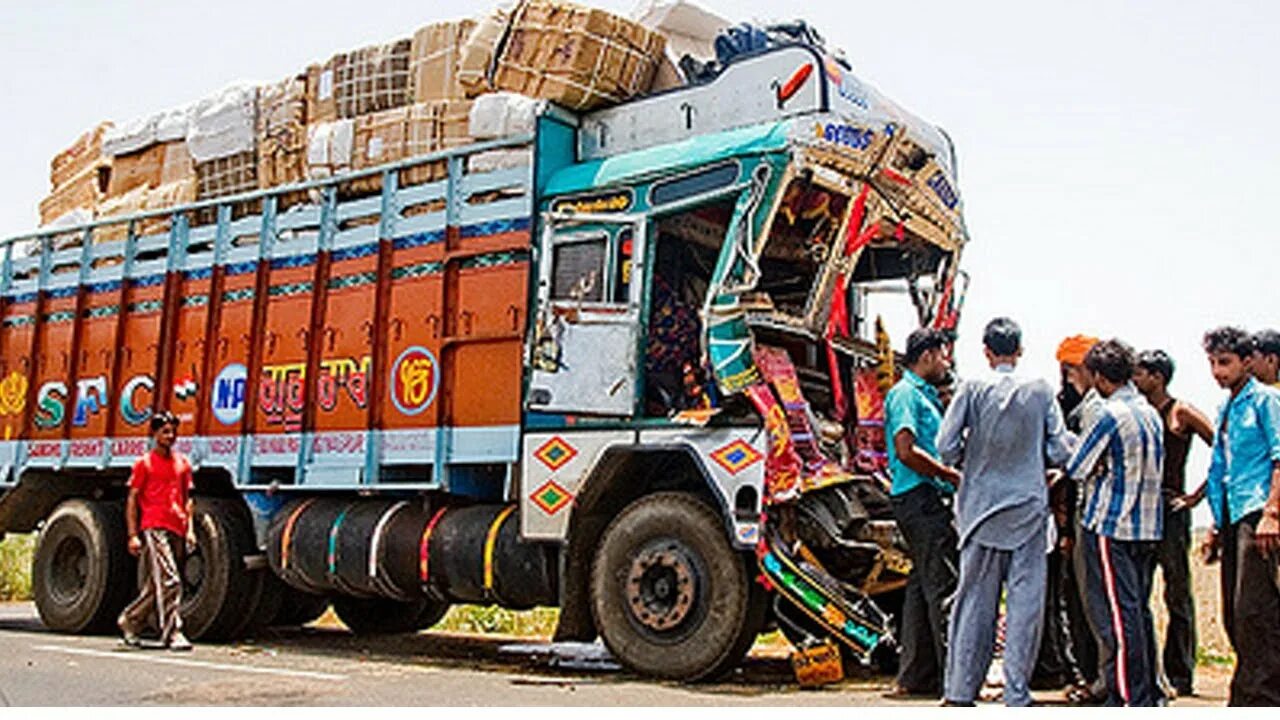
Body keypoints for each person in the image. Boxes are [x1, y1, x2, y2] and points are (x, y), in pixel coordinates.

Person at [936, 318, 1075, 706]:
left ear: (986, 351)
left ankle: (961, 690)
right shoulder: (1041, 390)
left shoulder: (971, 389)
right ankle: (1016, 691)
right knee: (1025, 604)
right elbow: (1060, 448)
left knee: (974, 602)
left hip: (980, 510)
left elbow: (945, 445)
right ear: (1020, 350)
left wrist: (970, 458)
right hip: (1028, 510)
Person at [1064, 339, 1165, 706]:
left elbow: (1076, 467)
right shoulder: (1150, 411)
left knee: (1118, 617)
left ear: (1100, 377)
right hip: (1147, 525)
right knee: (1138, 610)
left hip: (1111, 524)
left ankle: (1125, 695)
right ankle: (1149, 691)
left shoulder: (1109, 414)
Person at [1200, 326, 1280, 705]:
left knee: (1254, 608)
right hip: (1232, 513)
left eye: (1226, 363)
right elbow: (1220, 467)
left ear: (1247, 362)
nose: (1218, 371)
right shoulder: (1226, 408)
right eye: (1213, 363)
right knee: (1234, 611)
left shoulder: (1266, 401)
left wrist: (1273, 513)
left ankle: (1260, 697)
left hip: (1257, 510)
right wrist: (1216, 524)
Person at [883, 328, 961, 698]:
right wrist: (949, 475)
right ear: (927, 355)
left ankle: (915, 675)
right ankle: (954, 679)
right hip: (921, 497)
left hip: (919, 497)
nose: (946, 363)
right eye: (943, 355)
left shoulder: (925, 395)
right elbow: (905, 449)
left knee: (920, 586)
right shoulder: (905, 395)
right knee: (943, 586)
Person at [1132, 349, 1214, 696]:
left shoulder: (1180, 412)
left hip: (1171, 509)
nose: (1135, 380)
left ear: (1158, 377)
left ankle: (1181, 673)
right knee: (1138, 591)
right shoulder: (1138, 413)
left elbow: (1224, 449)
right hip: (1141, 509)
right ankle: (1148, 671)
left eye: (1141, 374)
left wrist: (1197, 495)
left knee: (1177, 591)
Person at [118, 412, 195, 651]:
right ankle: (173, 633)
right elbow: (132, 499)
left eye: (173, 432)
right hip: (154, 526)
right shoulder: (144, 464)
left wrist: (189, 530)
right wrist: (132, 534)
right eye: (165, 432)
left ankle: (130, 620)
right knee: (170, 580)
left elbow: (188, 500)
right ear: (154, 434)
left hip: (177, 527)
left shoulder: (183, 463)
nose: (170, 436)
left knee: (157, 583)